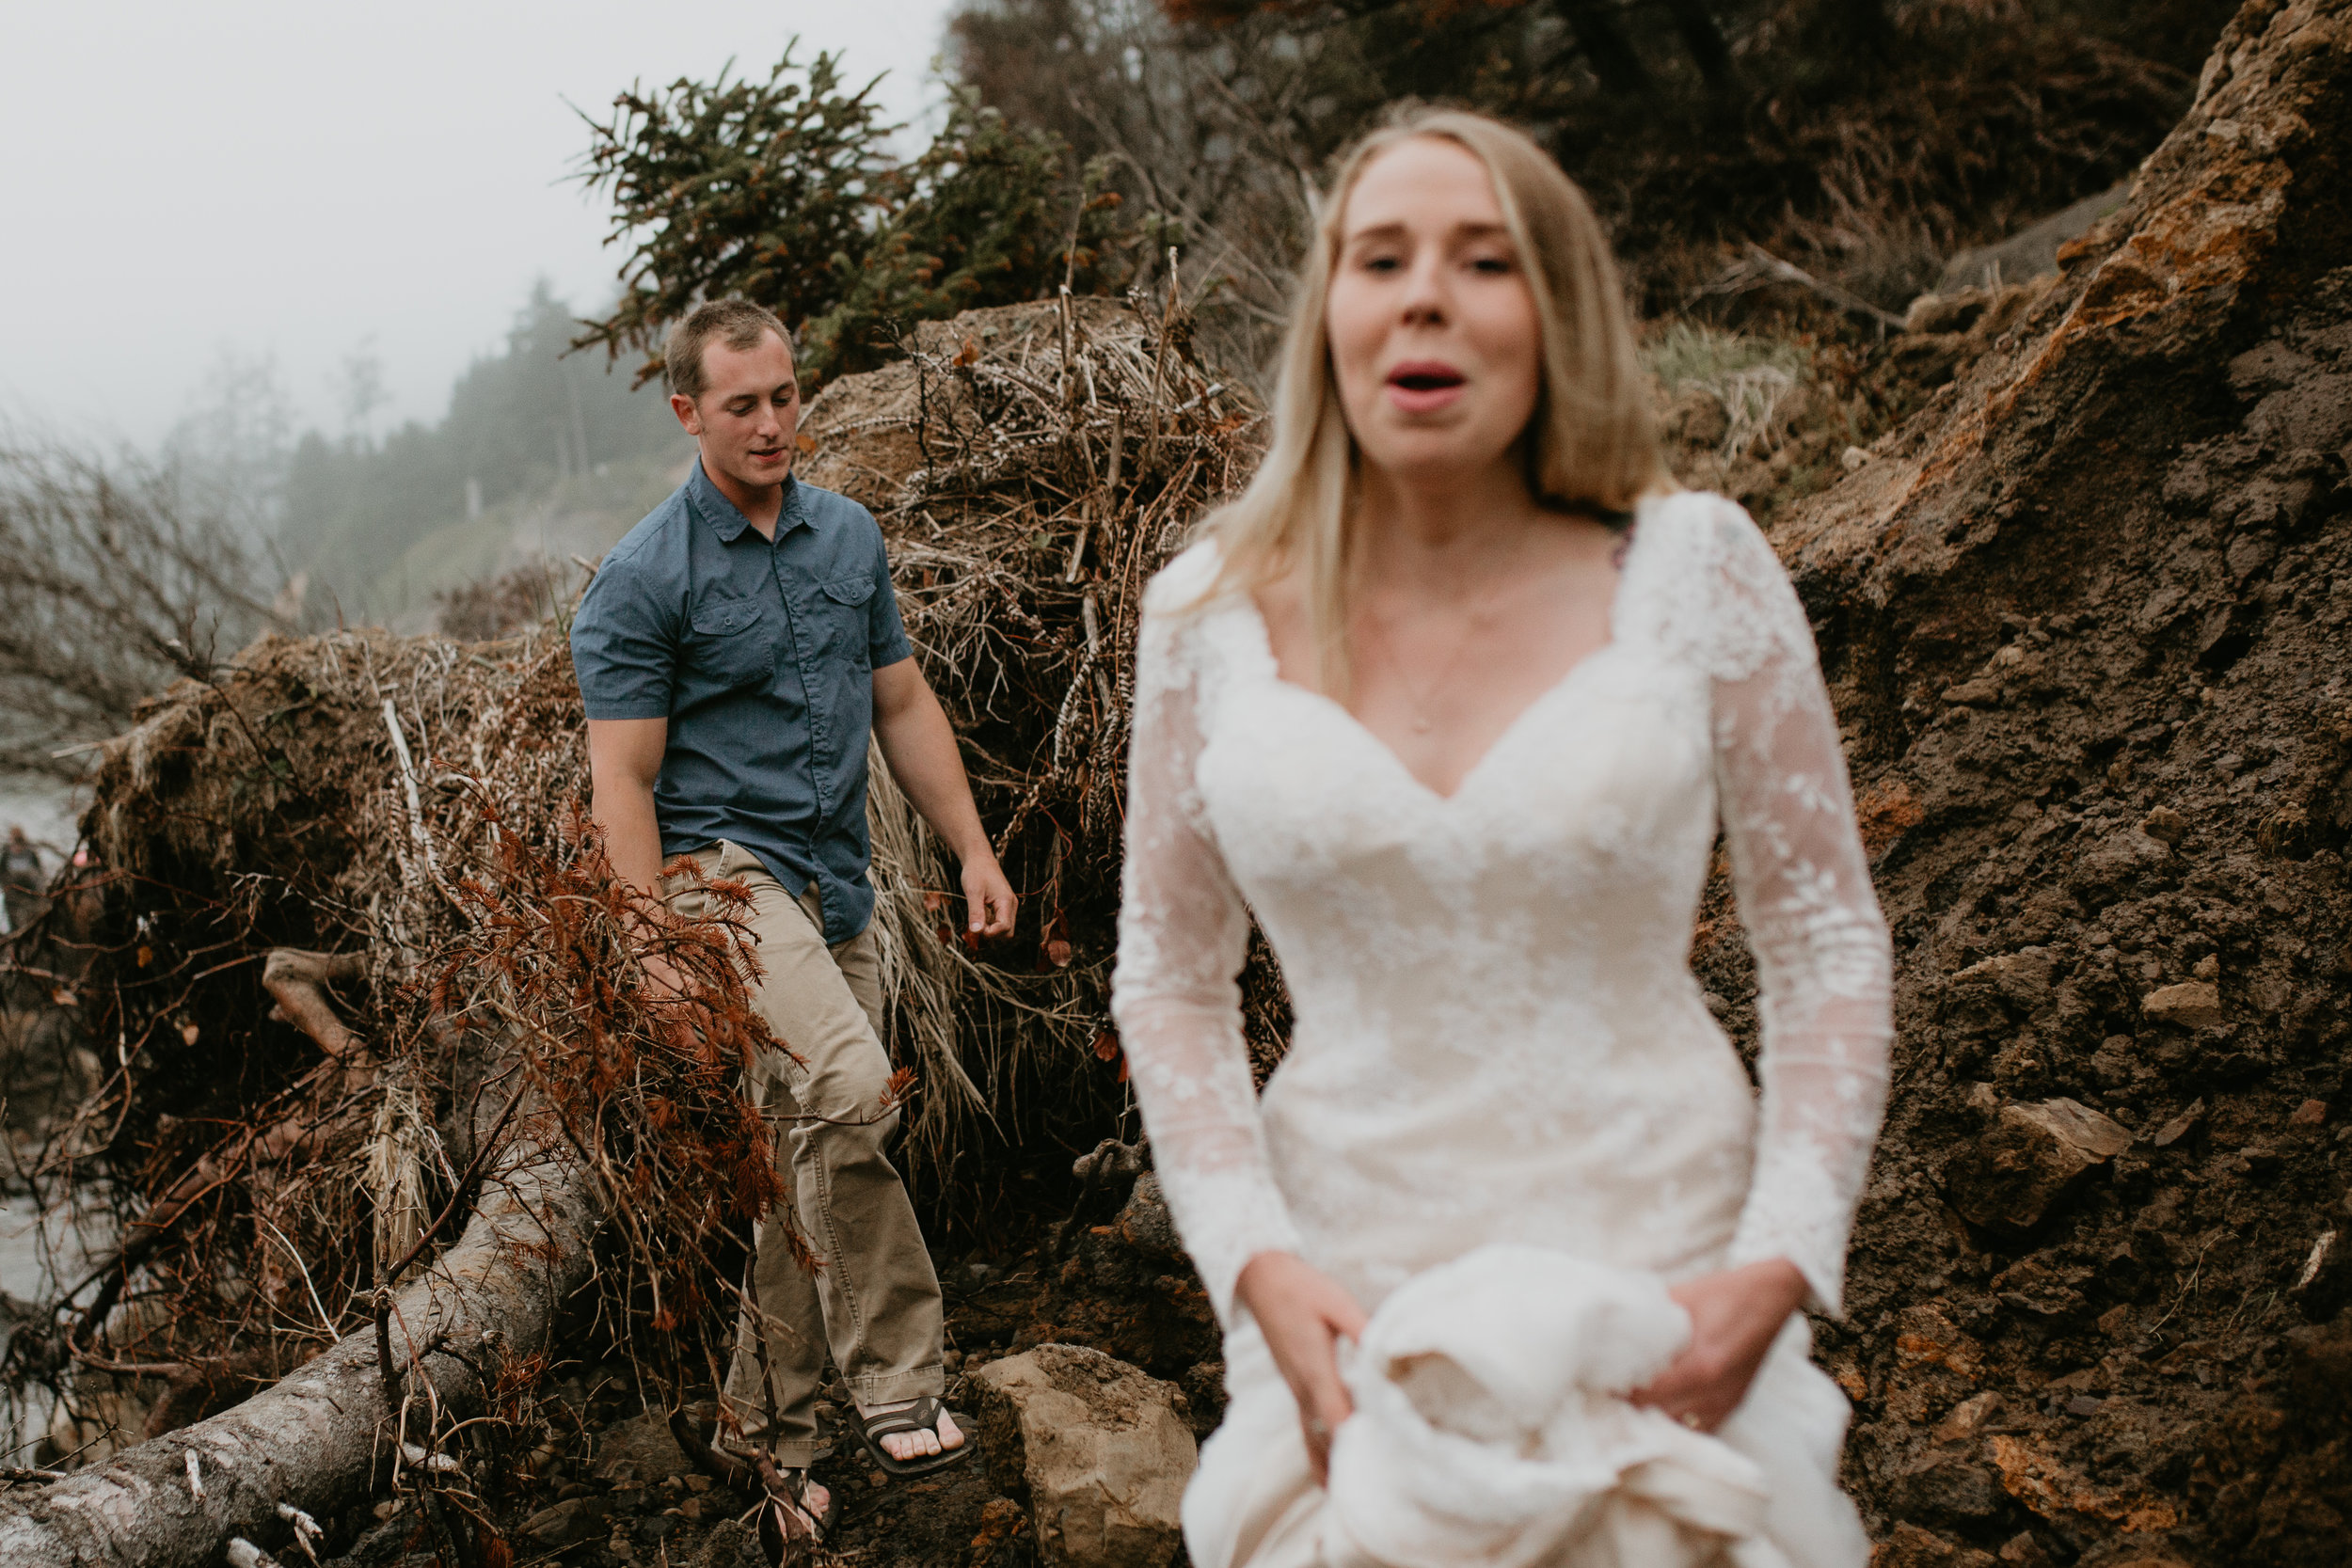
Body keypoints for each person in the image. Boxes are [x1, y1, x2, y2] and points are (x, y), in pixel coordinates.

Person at [1112, 107, 1892, 1568]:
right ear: (1330, 312)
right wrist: (1252, 1267)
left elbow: (1827, 939)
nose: (1424, 294)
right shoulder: (1201, 615)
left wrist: (1781, 1259)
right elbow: (1166, 975)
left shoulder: (1698, 567)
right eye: (1381, 256)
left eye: (1484, 260)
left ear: (1558, 313)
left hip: (1664, 1301)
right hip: (1351, 1323)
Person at [570, 298, 1016, 1532]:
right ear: (687, 413)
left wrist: (971, 846)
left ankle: (766, 1435)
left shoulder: (847, 537)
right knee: (857, 1088)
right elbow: (626, 777)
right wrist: (649, 936)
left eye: (784, 397)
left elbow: (904, 697)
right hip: (723, 883)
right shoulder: (644, 577)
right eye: (741, 405)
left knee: (804, 1148)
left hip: (837, 881)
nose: (772, 423)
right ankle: (901, 1383)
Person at [3, 826, 44, 935]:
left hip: (29, 891)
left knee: (32, 917)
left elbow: (38, 873)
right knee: (13, 920)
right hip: (12, 892)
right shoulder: (6, 853)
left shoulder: (30, 853)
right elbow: (2, 873)